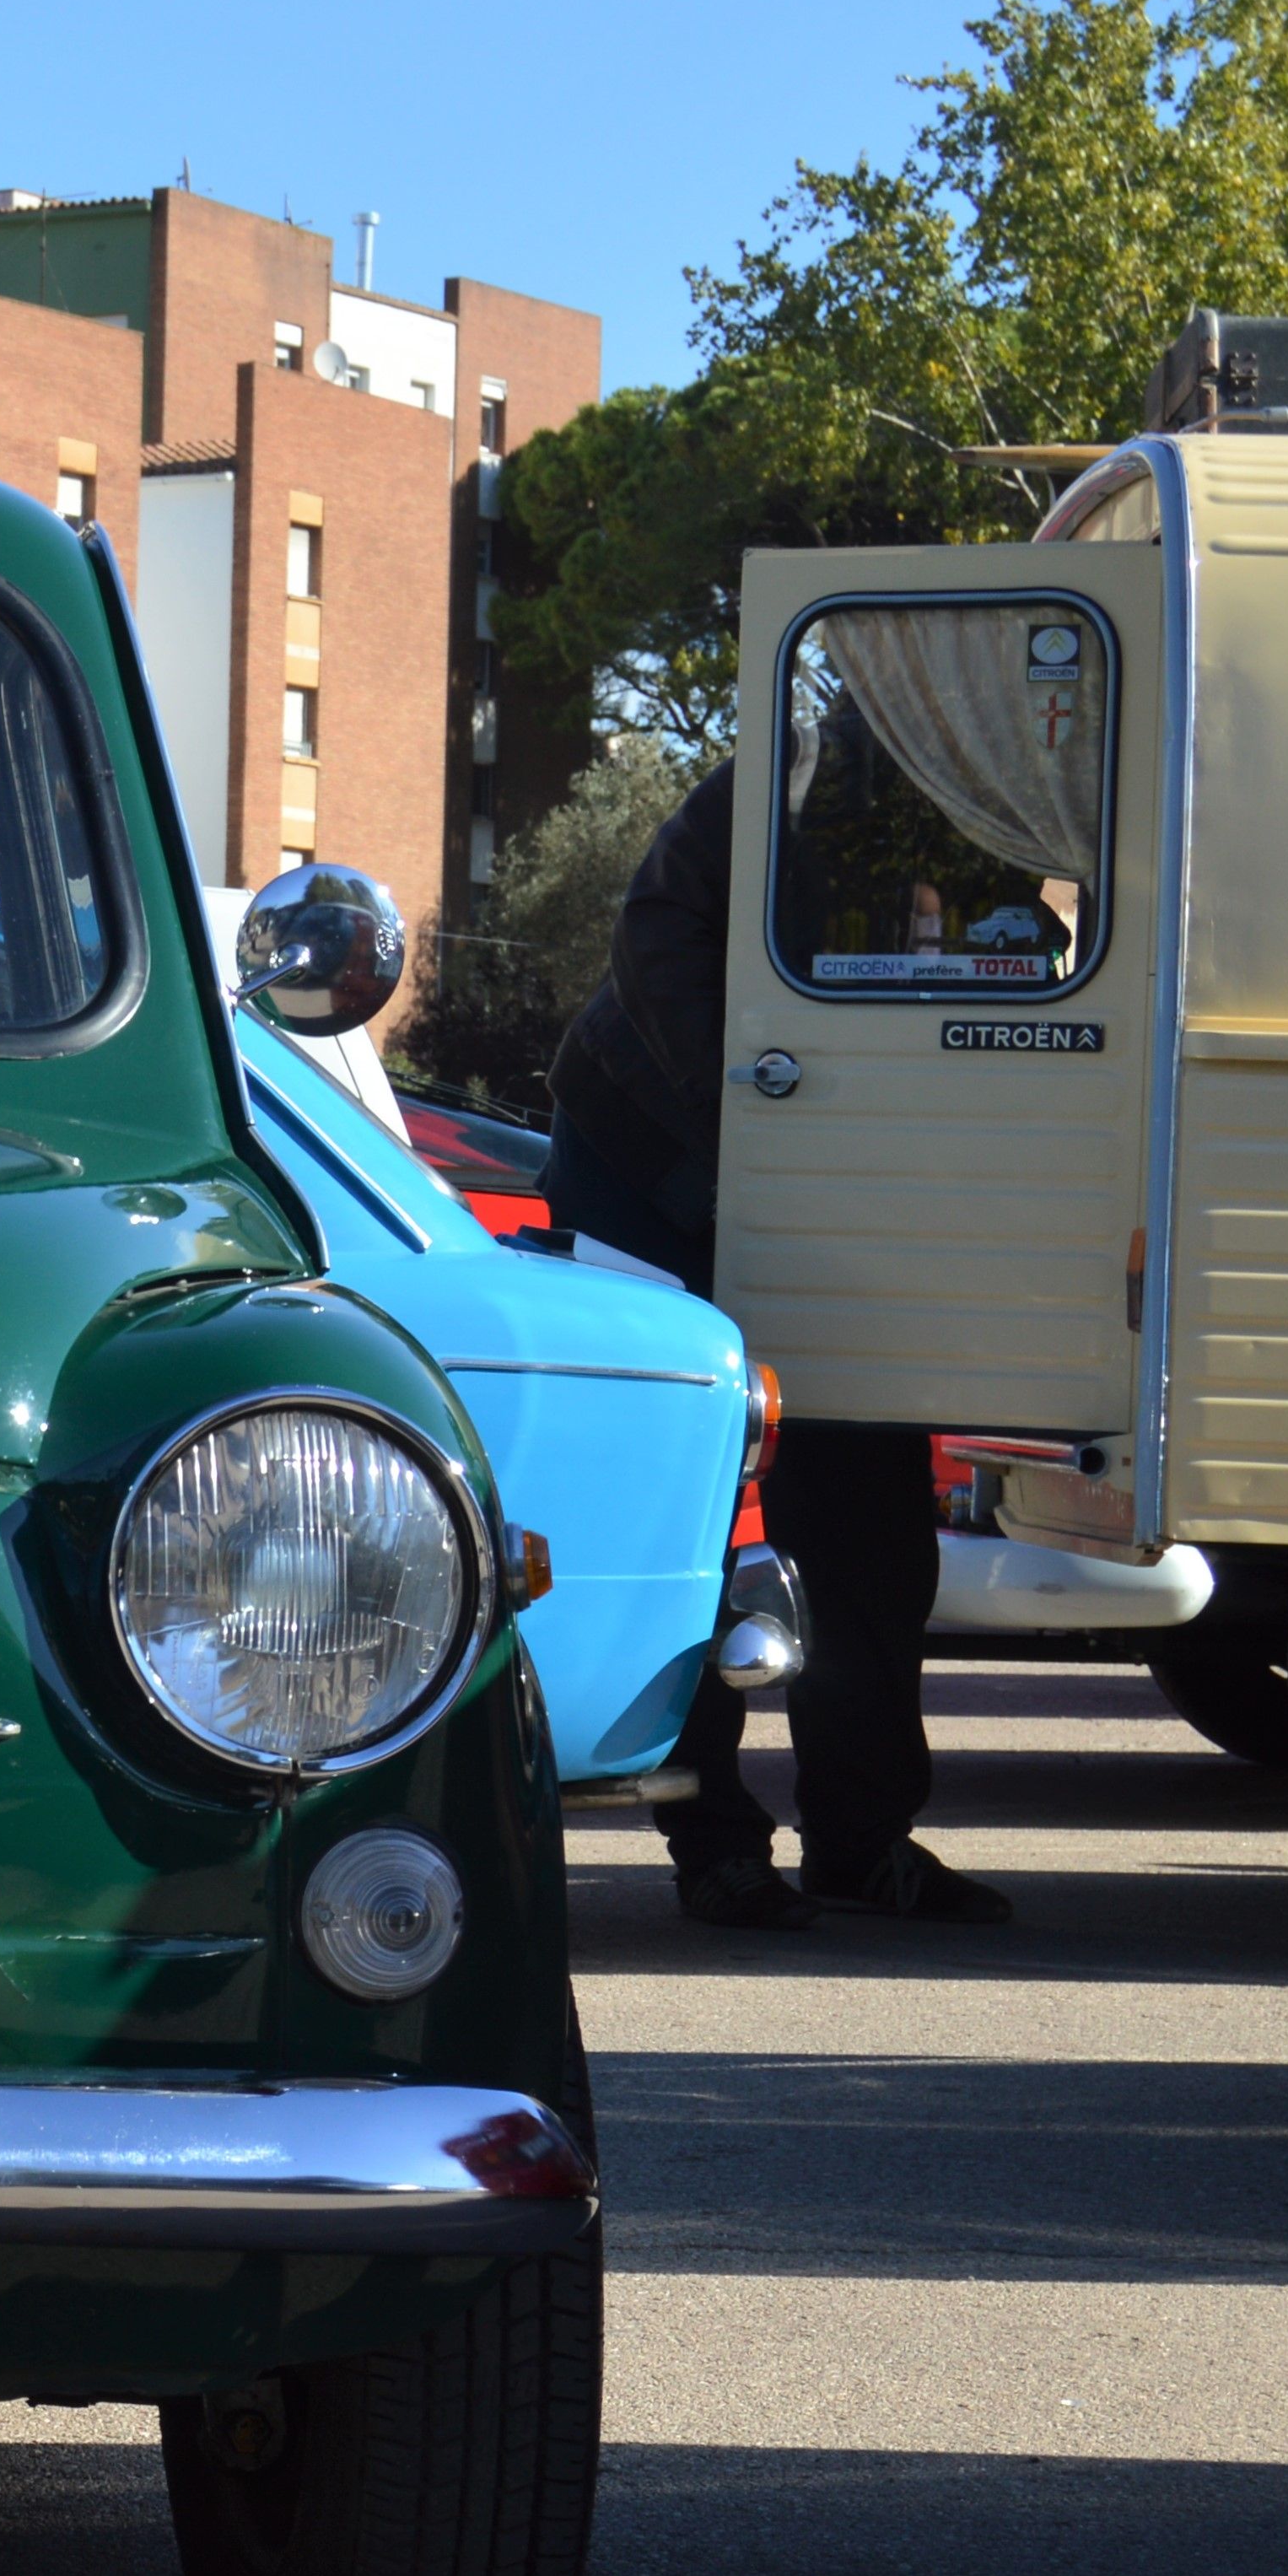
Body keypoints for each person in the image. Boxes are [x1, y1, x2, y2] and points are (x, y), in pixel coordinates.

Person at [542, 761, 1005, 1932]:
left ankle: (863, 1842)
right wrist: (762, 1131)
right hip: (650, 1175)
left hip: (837, 1205)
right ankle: (714, 1845)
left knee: (872, 1535)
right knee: (684, 1518)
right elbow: (661, 941)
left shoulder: (983, 814)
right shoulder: (773, 787)